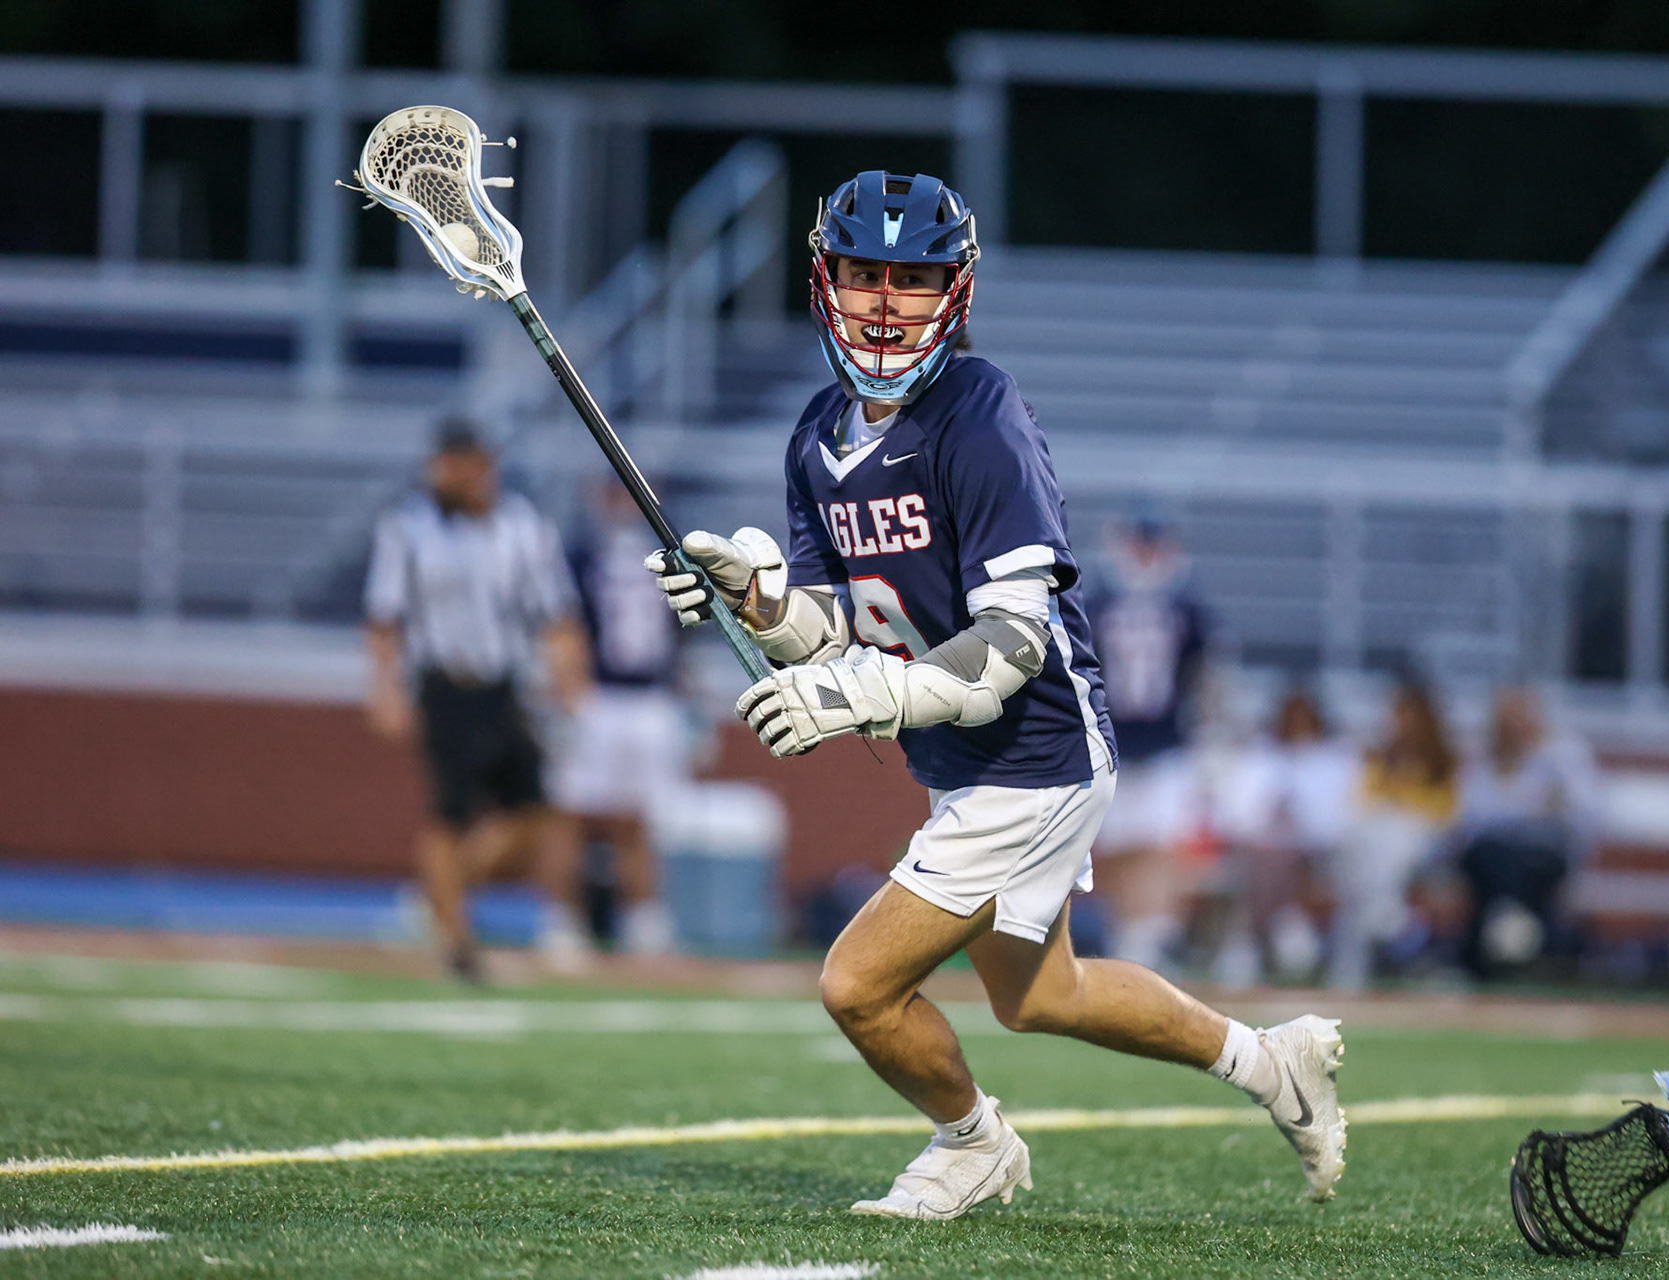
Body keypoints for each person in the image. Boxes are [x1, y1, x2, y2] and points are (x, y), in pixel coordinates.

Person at [644, 171, 1346, 1220]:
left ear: (957, 291)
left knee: (856, 984)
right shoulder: (817, 436)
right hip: (967, 757)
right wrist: (754, 598)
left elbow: (1013, 645)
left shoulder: (979, 414)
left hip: (1035, 752)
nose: (886, 303)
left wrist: (862, 698)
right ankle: (1270, 1062)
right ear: (824, 279)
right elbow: (834, 627)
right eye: (865, 274)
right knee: (1041, 993)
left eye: (913, 279)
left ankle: (971, 1142)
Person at [364, 420, 589, 981]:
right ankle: (457, 941)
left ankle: (439, 894)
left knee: (532, 814)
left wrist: (568, 681)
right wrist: (386, 688)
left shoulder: (523, 527)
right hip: (444, 686)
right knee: (450, 814)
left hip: (504, 686)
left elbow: (555, 614)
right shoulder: (408, 528)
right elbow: (384, 618)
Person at [549, 475, 691, 958]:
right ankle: (563, 918)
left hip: (650, 697)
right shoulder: (583, 551)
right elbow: (562, 621)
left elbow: (683, 626)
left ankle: (642, 919)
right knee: (573, 814)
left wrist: (682, 689)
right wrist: (570, 688)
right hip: (599, 695)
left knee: (639, 817)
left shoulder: (669, 549)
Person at [1085, 514, 1214, 970]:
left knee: (1161, 842)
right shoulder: (1095, 605)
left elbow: (1205, 676)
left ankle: (1153, 932)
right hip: (1111, 740)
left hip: (1167, 743)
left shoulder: (1187, 609)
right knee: (1117, 844)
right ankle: (1130, 931)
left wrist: (1208, 733)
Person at [1210, 688, 1360, 982]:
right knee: (1266, 861)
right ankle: (1275, 930)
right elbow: (1238, 818)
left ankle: (1262, 935)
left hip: (1316, 855)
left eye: (1305, 721)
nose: (1298, 728)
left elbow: (1339, 823)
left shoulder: (1334, 761)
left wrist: (1300, 829)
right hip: (1263, 853)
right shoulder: (1260, 758)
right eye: (1292, 720)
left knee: (1284, 862)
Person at [1453, 686, 1601, 977]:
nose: (1514, 728)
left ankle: (1500, 943)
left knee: (1517, 869)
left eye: (1520, 718)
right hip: (1490, 861)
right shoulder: (1483, 761)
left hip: (1543, 858)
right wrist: (1530, 807)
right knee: (1494, 860)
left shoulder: (1563, 753)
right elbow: (1469, 819)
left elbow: (1588, 813)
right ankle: (1517, 941)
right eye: (1507, 721)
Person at [1325, 679, 1458, 989]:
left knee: (1394, 838)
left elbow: (1446, 812)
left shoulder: (1442, 763)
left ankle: (1368, 930)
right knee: (1361, 842)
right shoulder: (1380, 760)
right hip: (1380, 837)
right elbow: (1362, 804)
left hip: (1425, 838)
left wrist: (1402, 806)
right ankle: (1380, 916)